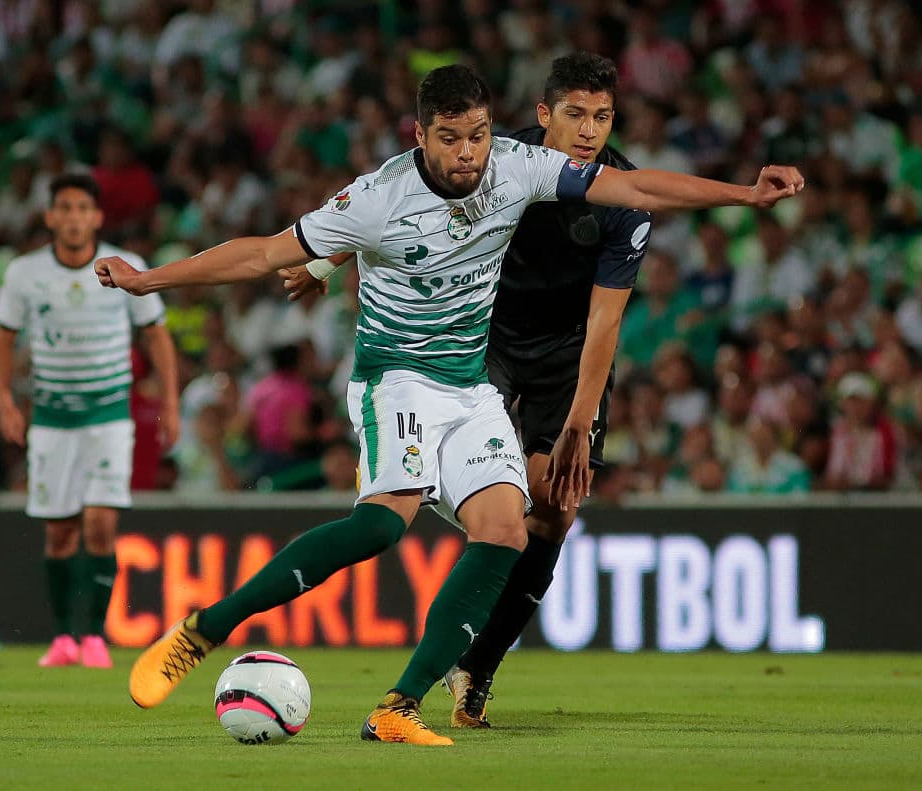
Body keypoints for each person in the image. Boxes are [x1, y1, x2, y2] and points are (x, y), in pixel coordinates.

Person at [96, 64, 803, 746]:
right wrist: (148, 279)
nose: (468, 154)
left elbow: (637, 184)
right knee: (382, 525)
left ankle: (399, 706)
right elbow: (260, 253)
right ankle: (205, 628)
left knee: (506, 529)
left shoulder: (518, 167)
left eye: (479, 135)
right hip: (396, 379)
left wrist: (745, 193)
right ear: (420, 134)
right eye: (451, 137)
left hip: (469, 385)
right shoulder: (377, 198)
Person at [284, 53, 653, 728]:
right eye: (575, 114)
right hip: (483, 337)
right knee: (499, 499)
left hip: (568, 355)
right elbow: (403, 203)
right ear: (545, 115)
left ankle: (477, 664)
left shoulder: (619, 196)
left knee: (556, 510)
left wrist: (578, 422)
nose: (589, 131)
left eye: (602, 117)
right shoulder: (499, 155)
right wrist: (322, 258)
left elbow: (606, 320)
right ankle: (443, 495)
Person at [0, 173, 179, 669]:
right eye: (64, 208)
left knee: (99, 523)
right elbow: (2, 337)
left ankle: (93, 636)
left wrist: (172, 404)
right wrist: (5, 401)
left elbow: (156, 334)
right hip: (52, 418)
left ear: (96, 217)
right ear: (51, 217)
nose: (73, 217)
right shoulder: (25, 274)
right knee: (59, 534)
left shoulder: (126, 267)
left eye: (82, 208)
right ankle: (62, 638)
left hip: (108, 414)